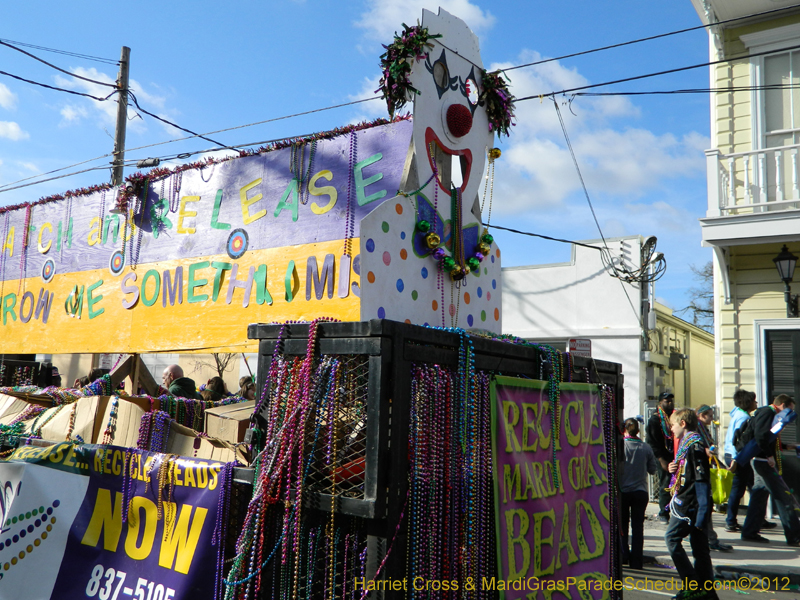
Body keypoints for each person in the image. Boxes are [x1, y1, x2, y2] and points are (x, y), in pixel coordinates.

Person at [664, 407, 717, 598]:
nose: (671, 429)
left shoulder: (694, 446)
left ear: (683, 424)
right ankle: (706, 592)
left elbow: (701, 481)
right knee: (700, 548)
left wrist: (703, 514)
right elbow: (686, 473)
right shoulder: (687, 445)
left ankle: (691, 583)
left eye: (673, 425)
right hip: (692, 504)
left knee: (671, 539)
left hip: (690, 505)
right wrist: (674, 469)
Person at [740, 394, 800, 546]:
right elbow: (760, 436)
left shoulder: (766, 413)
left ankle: (749, 531)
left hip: (760, 460)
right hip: (764, 462)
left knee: (759, 496)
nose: (789, 414)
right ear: (783, 406)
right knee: (784, 497)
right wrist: (769, 456)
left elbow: (767, 438)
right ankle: (795, 537)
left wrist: (788, 446)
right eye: (789, 410)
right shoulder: (768, 413)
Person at [620, 418, 657, 569]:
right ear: (638, 431)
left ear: (624, 429)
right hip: (640, 492)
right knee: (638, 527)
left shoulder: (620, 446)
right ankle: (636, 561)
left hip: (623, 492)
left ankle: (623, 556)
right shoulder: (646, 447)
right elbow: (653, 470)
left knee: (622, 526)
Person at [695, 405, 733, 552]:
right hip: (700, 474)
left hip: (703, 472)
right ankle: (709, 539)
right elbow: (705, 449)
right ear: (701, 415)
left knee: (704, 508)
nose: (712, 419)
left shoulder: (702, 428)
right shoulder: (698, 429)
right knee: (704, 507)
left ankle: (708, 538)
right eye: (710, 416)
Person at [723, 390, 756, 532]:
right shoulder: (743, 417)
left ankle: (758, 517)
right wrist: (736, 459)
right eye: (754, 401)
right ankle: (730, 521)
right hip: (737, 456)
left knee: (752, 486)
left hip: (732, 454)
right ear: (748, 403)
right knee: (738, 489)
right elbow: (739, 440)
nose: (756, 403)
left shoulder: (737, 413)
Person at [647, 391, 675, 522]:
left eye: (671, 401)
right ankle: (664, 512)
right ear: (660, 403)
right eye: (666, 401)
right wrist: (661, 459)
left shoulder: (675, 417)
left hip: (675, 454)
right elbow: (652, 442)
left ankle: (674, 509)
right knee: (666, 483)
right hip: (663, 457)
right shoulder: (655, 419)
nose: (669, 403)